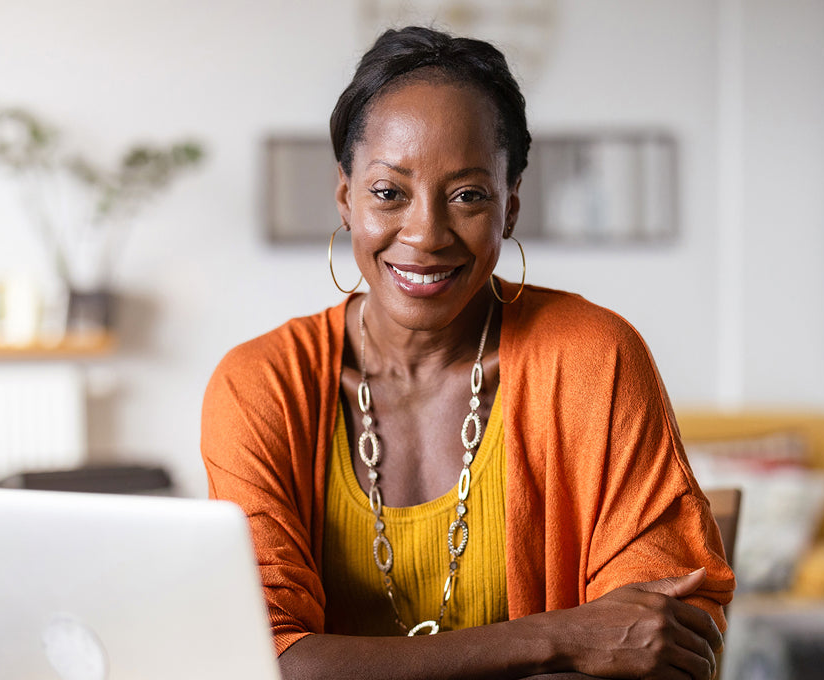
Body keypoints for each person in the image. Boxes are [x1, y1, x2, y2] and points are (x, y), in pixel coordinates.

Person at [202, 26, 734, 680]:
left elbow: (660, 643)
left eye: (468, 195)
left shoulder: (593, 357)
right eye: (389, 192)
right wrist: (554, 638)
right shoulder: (257, 386)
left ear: (510, 207)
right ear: (345, 198)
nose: (425, 233)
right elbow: (265, 662)